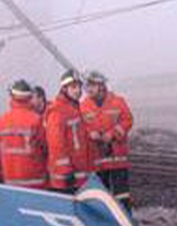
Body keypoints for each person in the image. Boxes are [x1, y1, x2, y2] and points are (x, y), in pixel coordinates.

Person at [81, 70, 134, 209]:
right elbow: (82, 126)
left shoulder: (118, 102)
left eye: (92, 85)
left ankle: (125, 222)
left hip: (117, 159)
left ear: (101, 85)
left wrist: (113, 134)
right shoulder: (84, 106)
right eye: (88, 85)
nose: (88, 89)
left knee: (122, 196)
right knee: (101, 198)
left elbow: (128, 120)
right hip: (98, 161)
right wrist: (90, 133)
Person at [43, 69, 94, 193]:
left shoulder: (73, 109)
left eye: (79, 87)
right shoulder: (57, 111)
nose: (78, 91)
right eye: (73, 87)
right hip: (66, 179)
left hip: (79, 175)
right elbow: (56, 144)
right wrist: (65, 171)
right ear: (64, 89)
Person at [0, 79, 48, 189]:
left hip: (10, 182)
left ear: (12, 96)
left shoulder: (0, 122)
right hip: (36, 183)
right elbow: (46, 148)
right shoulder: (36, 120)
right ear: (29, 97)